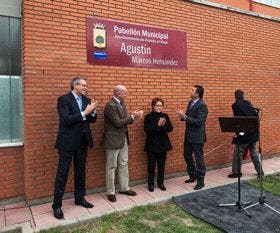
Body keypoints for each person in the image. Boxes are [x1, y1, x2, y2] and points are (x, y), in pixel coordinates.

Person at [52, 77, 98, 219]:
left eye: (86, 85)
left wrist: (93, 111)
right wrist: (85, 112)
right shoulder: (63, 100)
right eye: (83, 85)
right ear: (75, 85)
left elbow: (92, 120)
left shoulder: (86, 99)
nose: (86, 88)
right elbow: (66, 120)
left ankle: (79, 198)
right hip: (67, 142)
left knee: (80, 171)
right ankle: (57, 205)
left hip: (82, 142)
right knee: (63, 173)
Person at [104, 85, 143, 202]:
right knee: (111, 166)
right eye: (125, 93)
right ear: (117, 93)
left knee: (123, 163)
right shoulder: (110, 106)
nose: (126, 95)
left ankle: (124, 188)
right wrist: (132, 117)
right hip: (113, 140)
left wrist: (133, 116)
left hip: (123, 138)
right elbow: (117, 123)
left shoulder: (122, 102)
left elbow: (124, 119)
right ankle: (110, 192)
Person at [176, 85, 208, 190]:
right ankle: (193, 175)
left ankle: (201, 181)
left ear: (197, 94)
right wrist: (182, 116)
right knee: (186, 155)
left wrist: (185, 117)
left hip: (197, 136)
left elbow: (199, 122)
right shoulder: (190, 102)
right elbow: (189, 117)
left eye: (192, 90)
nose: (190, 91)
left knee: (199, 159)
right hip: (188, 135)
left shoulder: (202, 105)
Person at [228, 89, 263, 178]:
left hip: (245, 134)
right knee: (254, 153)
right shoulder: (249, 104)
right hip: (254, 134)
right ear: (243, 96)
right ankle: (260, 171)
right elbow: (255, 118)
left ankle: (236, 173)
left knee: (238, 152)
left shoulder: (236, 105)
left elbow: (238, 121)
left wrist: (237, 133)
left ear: (235, 96)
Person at [144, 98, 173, 192]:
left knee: (161, 165)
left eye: (161, 105)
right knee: (151, 166)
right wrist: (158, 125)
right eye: (157, 105)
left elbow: (170, 128)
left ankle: (160, 183)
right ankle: (151, 184)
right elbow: (147, 130)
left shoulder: (165, 115)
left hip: (162, 144)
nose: (159, 107)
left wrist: (164, 125)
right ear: (153, 106)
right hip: (152, 145)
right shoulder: (148, 117)